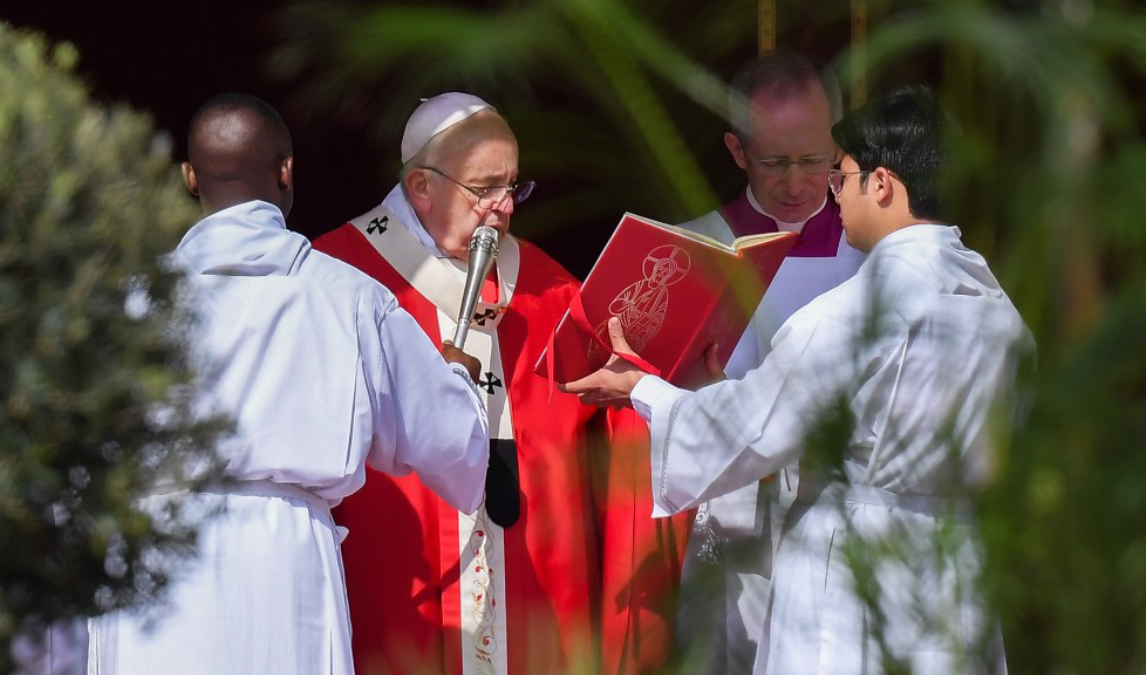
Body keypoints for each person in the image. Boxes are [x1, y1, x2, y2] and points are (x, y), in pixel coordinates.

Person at [562, 85, 1026, 675]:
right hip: (952, 560)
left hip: (856, 562)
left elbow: (753, 430)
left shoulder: (857, 313)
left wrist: (641, 390)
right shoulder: (997, 309)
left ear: (882, 184)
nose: (834, 196)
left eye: (841, 177)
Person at [86, 93, 491, 675]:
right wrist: (457, 375)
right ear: (286, 171)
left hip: (154, 565)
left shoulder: (126, 305)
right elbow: (452, 444)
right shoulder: (350, 298)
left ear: (190, 178)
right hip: (284, 568)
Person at [313, 93, 600, 675]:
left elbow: (603, 410)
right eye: (485, 189)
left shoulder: (548, 288)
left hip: (527, 581)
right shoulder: (338, 274)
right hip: (404, 573)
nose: (504, 208)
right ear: (421, 186)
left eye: (513, 187)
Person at [670, 51, 868, 674]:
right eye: (774, 162)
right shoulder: (693, 247)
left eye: (814, 160)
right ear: (737, 150)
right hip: (733, 514)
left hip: (844, 508)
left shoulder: (876, 249)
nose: (796, 182)